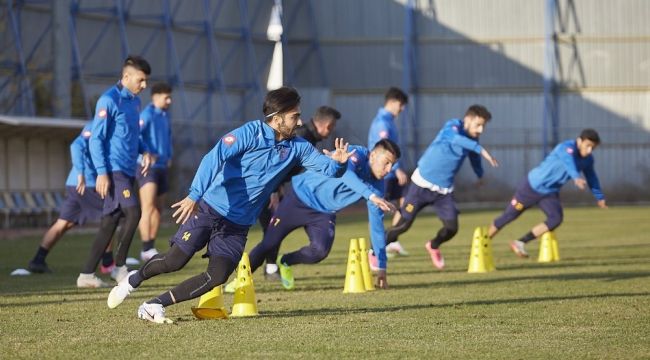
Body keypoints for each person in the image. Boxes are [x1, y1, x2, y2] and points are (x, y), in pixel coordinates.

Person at [107, 87, 355, 324]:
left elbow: (329, 169)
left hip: (238, 224)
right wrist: (194, 195)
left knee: (218, 276)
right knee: (175, 261)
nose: (300, 122)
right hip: (210, 208)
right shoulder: (249, 133)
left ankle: (153, 305)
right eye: (295, 116)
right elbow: (213, 158)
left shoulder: (298, 147)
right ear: (277, 118)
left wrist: (341, 164)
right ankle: (133, 280)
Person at [231, 139, 400, 292]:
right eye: (386, 163)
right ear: (374, 155)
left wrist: (382, 268)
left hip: (324, 213)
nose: (389, 170)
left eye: (392, 166)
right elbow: (346, 175)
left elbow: (377, 227)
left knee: (320, 252)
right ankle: (239, 280)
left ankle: (285, 262)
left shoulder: (377, 188)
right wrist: (370, 195)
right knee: (268, 244)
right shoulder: (355, 154)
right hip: (298, 199)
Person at [384, 104, 498, 270]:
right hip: (421, 184)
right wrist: (482, 150)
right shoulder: (452, 127)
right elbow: (459, 140)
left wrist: (480, 175)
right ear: (467, 120)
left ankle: (433, 245)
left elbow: (474, 158)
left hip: (443, 191)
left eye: (483, 126)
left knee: (452, 228)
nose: (481, 130)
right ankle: (374, 250)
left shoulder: (473, 140)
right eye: (478, 125)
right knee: (403, 225)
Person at [77, 55, 155, 288]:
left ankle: (86, 275)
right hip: (114, 170)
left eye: (146, 81)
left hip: (128, 169)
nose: (144, 86)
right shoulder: (108, 100)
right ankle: (119, 268)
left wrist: (145, 151)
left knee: (109, 222)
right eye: (141, 80)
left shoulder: (134, 102)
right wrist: (102, 171)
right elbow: (96, 139)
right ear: (126, 76)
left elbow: (134, 136)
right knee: (133, 213)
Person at [488, 129, 607, 257]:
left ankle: (520, 243)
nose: (589, 150)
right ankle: (483, 242)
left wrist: (599, 196)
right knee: (509, 216)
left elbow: (592, 177)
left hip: (550, 193)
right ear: (579, 141)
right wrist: (576, 177)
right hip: (531, 187)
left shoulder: (588, 159)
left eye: (593, 148)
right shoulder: (565, 148)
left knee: (556, 219)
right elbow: (569, 162)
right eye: (587, 146)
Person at [258, 105, 341, 279]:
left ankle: (271, 268)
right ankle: (249, 272)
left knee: (271, 230)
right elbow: (277, 163)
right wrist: (273, 190)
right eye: (332, 126)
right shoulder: (302, 136)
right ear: (326, 125)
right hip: (265, 186)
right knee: (269, 230)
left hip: (274, 186)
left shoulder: (308, 137)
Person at [27, 125, 115, 274]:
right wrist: (80, 172)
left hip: (77, 185)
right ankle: (107, 263)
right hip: (86, 185)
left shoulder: (110, 127)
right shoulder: (96, 125)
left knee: (63, 223)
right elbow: (77, 145)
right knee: (110, 220)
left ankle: (38, 259)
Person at [367, 87, 410, 257]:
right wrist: (397, 169)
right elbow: (383, 150)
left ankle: (391, 240)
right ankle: (374, 249)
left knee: (405, 204)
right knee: (378, 209)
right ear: (392, 102)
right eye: (401, 104)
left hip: (392, 172)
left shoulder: (389, 120)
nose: (402, 109)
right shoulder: (382, 123)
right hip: (383, 174)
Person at [137, 82, 173, 262]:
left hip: (162, 168)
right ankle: (146, 247)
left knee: (158, 208)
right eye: (166, 97)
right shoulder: (147, 114)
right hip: (147, 168)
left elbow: (168, 138)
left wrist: (169, 155)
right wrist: (146, 153)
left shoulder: (165, 116)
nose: (169, 100)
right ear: (155, 97)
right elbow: (136, 133)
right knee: (148, 207)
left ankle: (150, 245)